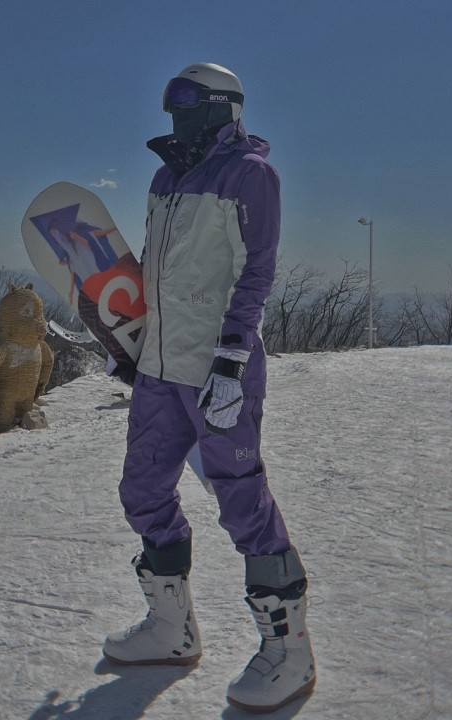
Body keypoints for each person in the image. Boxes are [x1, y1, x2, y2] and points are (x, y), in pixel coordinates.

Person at [102, 62, 316, 713]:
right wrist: (134, 342)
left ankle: (290, 651)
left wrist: (231, 358)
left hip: (218, 368)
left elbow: (256, 271)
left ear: (224, 106)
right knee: (142, 489)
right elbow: (153, 270)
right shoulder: (165, 178)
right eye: (171, 101)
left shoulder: (250, 175)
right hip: (160, 368)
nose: (176, 113)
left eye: (189, 100)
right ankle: (172, 629)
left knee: (241, 499)